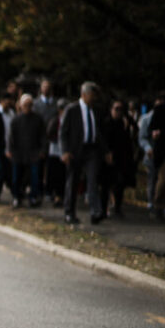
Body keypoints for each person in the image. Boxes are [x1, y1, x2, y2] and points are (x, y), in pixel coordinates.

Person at [60, 82, 107, 225]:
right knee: (73, 181)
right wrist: (65, 151)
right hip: (75, 150)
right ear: (84, 94)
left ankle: (95, 212)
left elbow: (100, 133)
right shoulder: (72, 109)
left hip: (91, 150)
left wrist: (106, 151)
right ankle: (69, 212)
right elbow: (63, 132)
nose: (94, 98)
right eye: (92, 95)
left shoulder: (96, 111)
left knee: (92, 180)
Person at [7, 94, 46, 208]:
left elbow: (43, 136)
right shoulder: (16, 119)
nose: (27, 107)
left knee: (34, 177)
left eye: (29, 105)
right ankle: (16, 197)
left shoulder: (38, 119)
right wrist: (10, 150)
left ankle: (33, 197)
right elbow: (11, 137)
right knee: (16, 177)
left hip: (33, 153)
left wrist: (42, 150)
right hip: (19, 153)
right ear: (21, 106)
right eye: (25, 105)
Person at [101, 100, 137, 218]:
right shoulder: (107, 123)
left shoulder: (124, 123)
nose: (118, 112)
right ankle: (104, 208)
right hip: (109, 157)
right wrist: (107, 153)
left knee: (120, 183)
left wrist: (128, 123)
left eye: (121, 109)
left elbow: (134, 131)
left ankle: (117, 207)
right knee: (107, 183)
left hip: (122, 157)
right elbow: (103, 139)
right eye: (116, 109)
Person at [138, 95, 163, 214]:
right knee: (152, 179)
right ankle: (151, 202)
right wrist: (148, 148)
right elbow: (142, 137)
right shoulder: (146, 119)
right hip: (152, 154)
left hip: (162, 154)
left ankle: (159, 203)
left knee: (161, 179)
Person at [33, 79, 58, 200]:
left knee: (52, 167)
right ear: (41, 88)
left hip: (53, 140)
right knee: (39, 165)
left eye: (48, 86)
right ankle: (38, 190)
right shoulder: (36, 104)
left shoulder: (55, 104)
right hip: (39, 139)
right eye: (44, 86)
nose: (46, 89)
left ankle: (49, 190)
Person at [45, 98, 68, 207]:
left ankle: (60, 196)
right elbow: (49, 133)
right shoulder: (56, 120)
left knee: (62, 175)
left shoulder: (69, 120)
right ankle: (53, 194)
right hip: (55, 151)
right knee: (53, 174)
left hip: (65, 152)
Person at [150, 91, 165, 221]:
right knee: (163, 179)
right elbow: (153, 129)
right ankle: (158, 205)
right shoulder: (160, 110)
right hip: (163, 151)